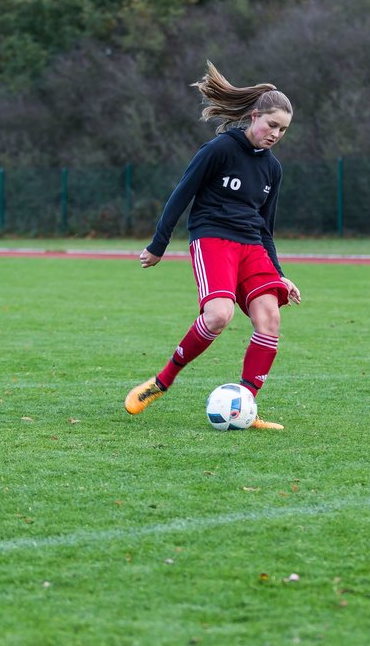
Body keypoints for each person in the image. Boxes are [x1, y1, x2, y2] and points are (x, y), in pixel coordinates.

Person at [124, 62, 302, 430]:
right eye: (271, 125)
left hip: (252, 246)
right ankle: (161, 383)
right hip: (213, 239)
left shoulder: (273, 169)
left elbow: (266, 228)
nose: (275, 134)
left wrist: (280, 275)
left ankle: (245, 405)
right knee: (219, 315)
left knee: (270, 319)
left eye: (282, 130)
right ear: (254, 117)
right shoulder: (220, 149)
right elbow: (181, 195)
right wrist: (159, 245)